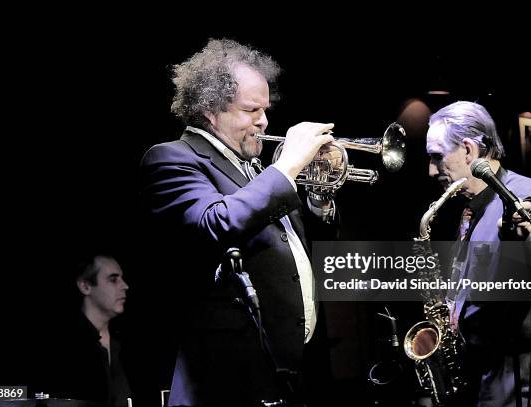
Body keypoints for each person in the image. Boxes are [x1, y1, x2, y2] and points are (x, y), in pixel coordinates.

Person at [140, 38, 338, 407]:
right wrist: (289, 165)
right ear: (210, 111)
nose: (263, 121)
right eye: (251, 110)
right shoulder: (172, 159)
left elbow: (295, 248)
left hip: (283, 375)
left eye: (265, 109)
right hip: (224, 381)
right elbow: (216, 223)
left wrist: (320, 197)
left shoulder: (254, 170)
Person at [425, 100, 531, 406]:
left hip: (519, 374)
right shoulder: (469, 209)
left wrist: (517, 238)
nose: (431, 170)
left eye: (437, 157)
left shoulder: (527, 195)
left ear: (469, 151)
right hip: (484, 368)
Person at [35, 254, 132, 406]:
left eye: (122, 278)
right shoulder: (62, 347)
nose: (125, 286)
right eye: (113, 279)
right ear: (85, 286)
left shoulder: (123, 344)